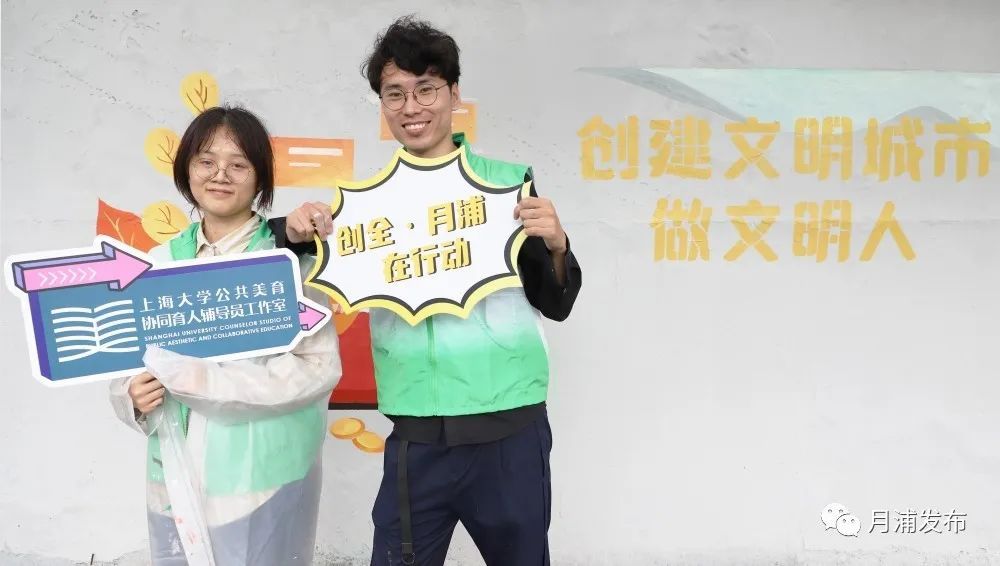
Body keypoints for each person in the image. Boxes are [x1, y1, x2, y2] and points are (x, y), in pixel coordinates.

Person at [272, 16, 582, 566]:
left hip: (509, 430)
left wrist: (557, 244)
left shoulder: (504, 186)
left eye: (426, 89)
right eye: (395, 94)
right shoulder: (365, 207)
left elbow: (556, 302)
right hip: (417, 438)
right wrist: (291, 230)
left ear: (454, 94)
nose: (411, 107)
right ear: (382, 105)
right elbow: (274, 255)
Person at [108, 106, 342, 565]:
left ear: (260, 179)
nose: (220, 175)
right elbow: (125, 362)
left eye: (238, 164)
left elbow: (318, 367)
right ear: (186, 169)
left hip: (261, 477)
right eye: (206, 161)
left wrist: (206, 382)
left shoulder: (289, 261)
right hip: (174, 474)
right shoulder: (158, 262)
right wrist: (130, 394)